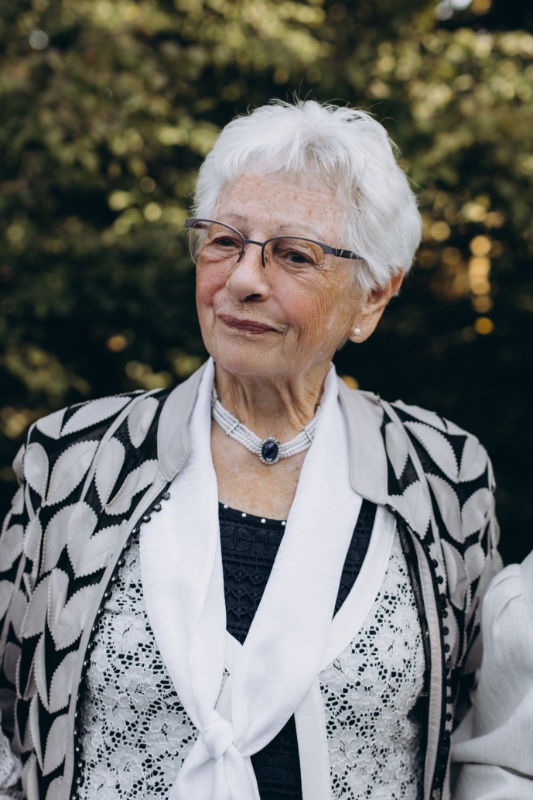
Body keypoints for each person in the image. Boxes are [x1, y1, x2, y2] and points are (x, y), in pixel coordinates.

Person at [0, 99, 503, 800]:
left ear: (372, 296)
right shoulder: (74, 462)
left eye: (293, 255)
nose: (242, 279)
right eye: (224, 241)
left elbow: (481, 734)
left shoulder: (443, 478)